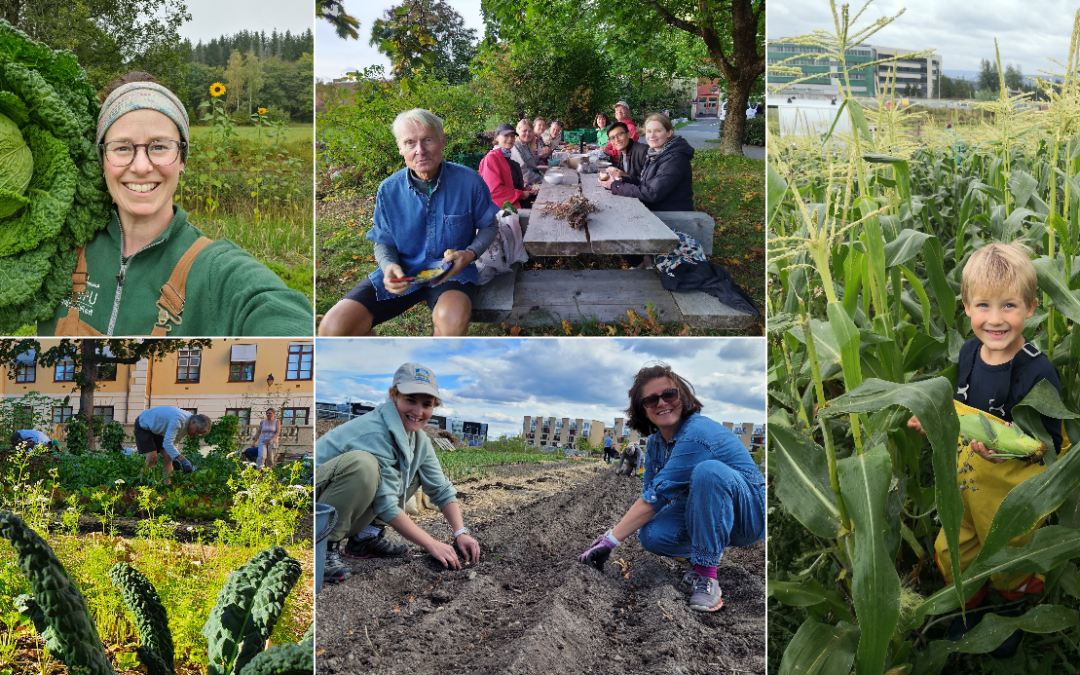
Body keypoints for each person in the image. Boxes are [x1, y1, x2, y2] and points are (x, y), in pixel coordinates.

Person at [39, 74, 312, 336]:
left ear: (182, 159)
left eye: (159, 147)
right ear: (101, 160)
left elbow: (276, 312)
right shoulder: (56, 247)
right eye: (122, 148)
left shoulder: (215, 269)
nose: (142, 167)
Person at [908, 242, 1061, 658]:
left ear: (1031, 308)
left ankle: (1012, 613)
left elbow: (1050, 444)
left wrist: (1010, 451)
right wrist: (934, 422)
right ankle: (969, 604)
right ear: (966, 307)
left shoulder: (1038, 371)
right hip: (965, 476)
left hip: (1010, 489)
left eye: (1009, 305)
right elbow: (963, 415)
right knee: (955, 546)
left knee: (1011, 552)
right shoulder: (969, 353)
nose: (995, 319)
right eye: (983, 306)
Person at [578, 363, 765, 613]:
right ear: (642, 409)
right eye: (651, 399)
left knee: (709, 471)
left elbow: (657, 497)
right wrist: (608, 538)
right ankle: (703, 551)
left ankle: (707, 574)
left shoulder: (697, 432)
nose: (662, 403)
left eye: (669, 394)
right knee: (652, 534)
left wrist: (610, 541)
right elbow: (651, 494)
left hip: (749, 514)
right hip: (708, 511)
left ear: (683, 397)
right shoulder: (656, 443)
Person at [319, 109, 499, 337]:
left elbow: (489, 225)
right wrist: (388, 266)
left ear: (443, 140)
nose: (420, 150)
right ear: (400, 147)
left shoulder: (469, 181)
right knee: (333, 328)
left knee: (451, 322)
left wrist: (470, 254)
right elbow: (384, 241)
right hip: (403, 273)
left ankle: (436, 358)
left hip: (452, 273)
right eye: (410, 142)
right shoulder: (388, 190)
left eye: (428, 140)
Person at [316, 363, 480, 584]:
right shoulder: (375, 430)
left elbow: (440, 489)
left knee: (413, 468)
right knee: (363, 465)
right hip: (312, 508)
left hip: (340, 509)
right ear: (393, 395)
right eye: (410, 400)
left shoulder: (418, 440)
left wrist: (461, 532)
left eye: (427, 404)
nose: (418, 412)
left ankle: (364, 539)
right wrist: (431, 544)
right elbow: (385, 503)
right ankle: (323, 547)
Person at [600, 113, 694, 212]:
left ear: (669, 133)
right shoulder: (655, 154)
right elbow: (643, 182)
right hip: (652, 207)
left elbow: (652, 193)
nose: (652, 136)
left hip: (670, 214)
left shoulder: (675, 159)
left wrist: (616, 186)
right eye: (649, 131)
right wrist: (622, 179)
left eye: (658, 131)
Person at [135, 406, 210, 482]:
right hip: (144, 423)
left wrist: (175, 459)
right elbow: (167, 444)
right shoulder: (178, 420)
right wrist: (182, 460)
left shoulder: (188, 424)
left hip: (159, 429)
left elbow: (174, 441)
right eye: (197, 431)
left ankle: (167, 486)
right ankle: (143, 484)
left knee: (168, 456)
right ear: (193, 422)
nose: (196, 435)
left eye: (199, 434)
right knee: (152, 456)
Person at [480, 123, 536, 211]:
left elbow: (514, 187)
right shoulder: (491, 159)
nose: (510, 139)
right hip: (503, 208)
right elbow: (494, 191)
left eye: (512, 136)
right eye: (506, 135)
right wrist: (521, 194)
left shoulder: (509, 159)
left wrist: (529, 190)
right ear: (496, 137)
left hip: (515, 201)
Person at [510, 119, 544, 185]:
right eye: (524, 131)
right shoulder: (515, 147)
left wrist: (543, 157)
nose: (527, 133)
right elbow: (524, 174)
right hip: (526, 185)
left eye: (530, 131)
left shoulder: (526, 145)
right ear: (518, 131)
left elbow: (534, 163)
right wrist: (543, 180)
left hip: (534, 178)